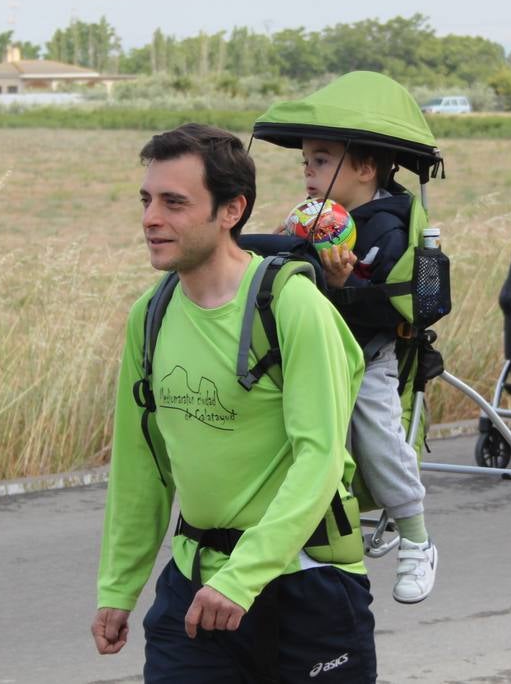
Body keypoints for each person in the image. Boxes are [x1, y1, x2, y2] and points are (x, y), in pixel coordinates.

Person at [92, 124, 376, 682]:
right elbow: (141, 468)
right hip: (196, 587)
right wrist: (118, 586)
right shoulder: (149, 316)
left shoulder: (293, 307)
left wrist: (240, 579)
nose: (151, 218)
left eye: (175, 203)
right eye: (147, 200)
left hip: (307, 584)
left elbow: (317, 459)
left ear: (231, 210)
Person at [298, 136, 438, 604]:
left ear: (363, 169)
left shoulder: (387, 230)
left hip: (368, 354)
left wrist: (340, 284)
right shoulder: (315, 221)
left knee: (378, 439)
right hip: (313, 353)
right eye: (305, 162)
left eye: (320, 161)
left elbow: (389, 302)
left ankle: (418, 539)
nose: (308, 172)